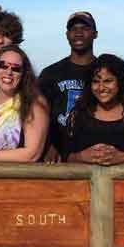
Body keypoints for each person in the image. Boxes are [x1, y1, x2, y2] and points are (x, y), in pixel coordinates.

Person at [37, 11, 97, 160]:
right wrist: (49, 145)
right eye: (73, 29)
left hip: (94, 150)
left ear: (95, 34)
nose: (78, 33)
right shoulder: (50, 74)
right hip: (58, 153)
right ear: (67, 35)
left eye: (85, 28)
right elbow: (38, 115)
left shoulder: (104, 72)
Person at [64, 54, 124, 165]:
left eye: (108, 81)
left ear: (120, 82)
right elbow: (66, 157)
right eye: (95, 81)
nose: (101, 88)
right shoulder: (78, 113)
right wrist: (81, 156)